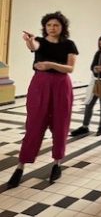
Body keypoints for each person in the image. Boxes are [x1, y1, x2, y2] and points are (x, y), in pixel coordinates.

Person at [7, 11, 79, 189]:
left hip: (61, 86)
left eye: (56, 25)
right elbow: (34, 46)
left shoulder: (69, 44)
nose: (52, 28)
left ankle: (57, 163)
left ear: (62, 27)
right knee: (34, 124)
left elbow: (70, 68)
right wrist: (29, 40)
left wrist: (51, 65)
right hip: (40, 85)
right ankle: (20, 166)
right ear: (44, 27)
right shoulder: (40, 40)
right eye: (49, 25)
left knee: (60, 124)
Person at [71, 34, 101, 137]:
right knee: (89, 104)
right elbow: (92, 66)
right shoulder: (99, 53)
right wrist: (95, 68)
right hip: (95, 80)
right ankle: (85, 126)